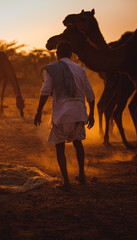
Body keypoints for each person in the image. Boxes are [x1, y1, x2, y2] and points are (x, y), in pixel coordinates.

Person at [34, 41, 95, 190]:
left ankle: (66, 181)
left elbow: (45, 91)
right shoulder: (80, 69)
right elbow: (91, 94)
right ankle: (82, 176)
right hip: (79, 114)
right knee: (78, 143)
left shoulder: (51, 69)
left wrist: (39, 111)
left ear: (57, 54)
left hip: (61, 114)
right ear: (71, 55)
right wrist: (91, 114)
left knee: (59, 146)